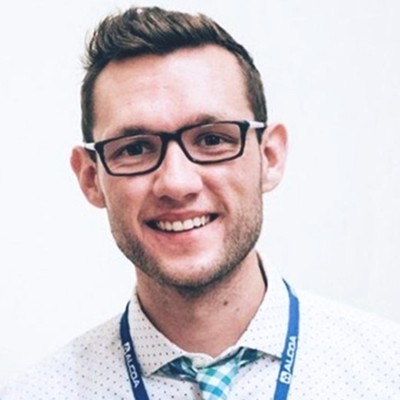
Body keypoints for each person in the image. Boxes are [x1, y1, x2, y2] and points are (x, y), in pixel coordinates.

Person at [1, 6, 399, 400]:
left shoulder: (387, 371)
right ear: (91, 178)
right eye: (135, 148)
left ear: (269, 157)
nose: (176, 182)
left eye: (212, 139)